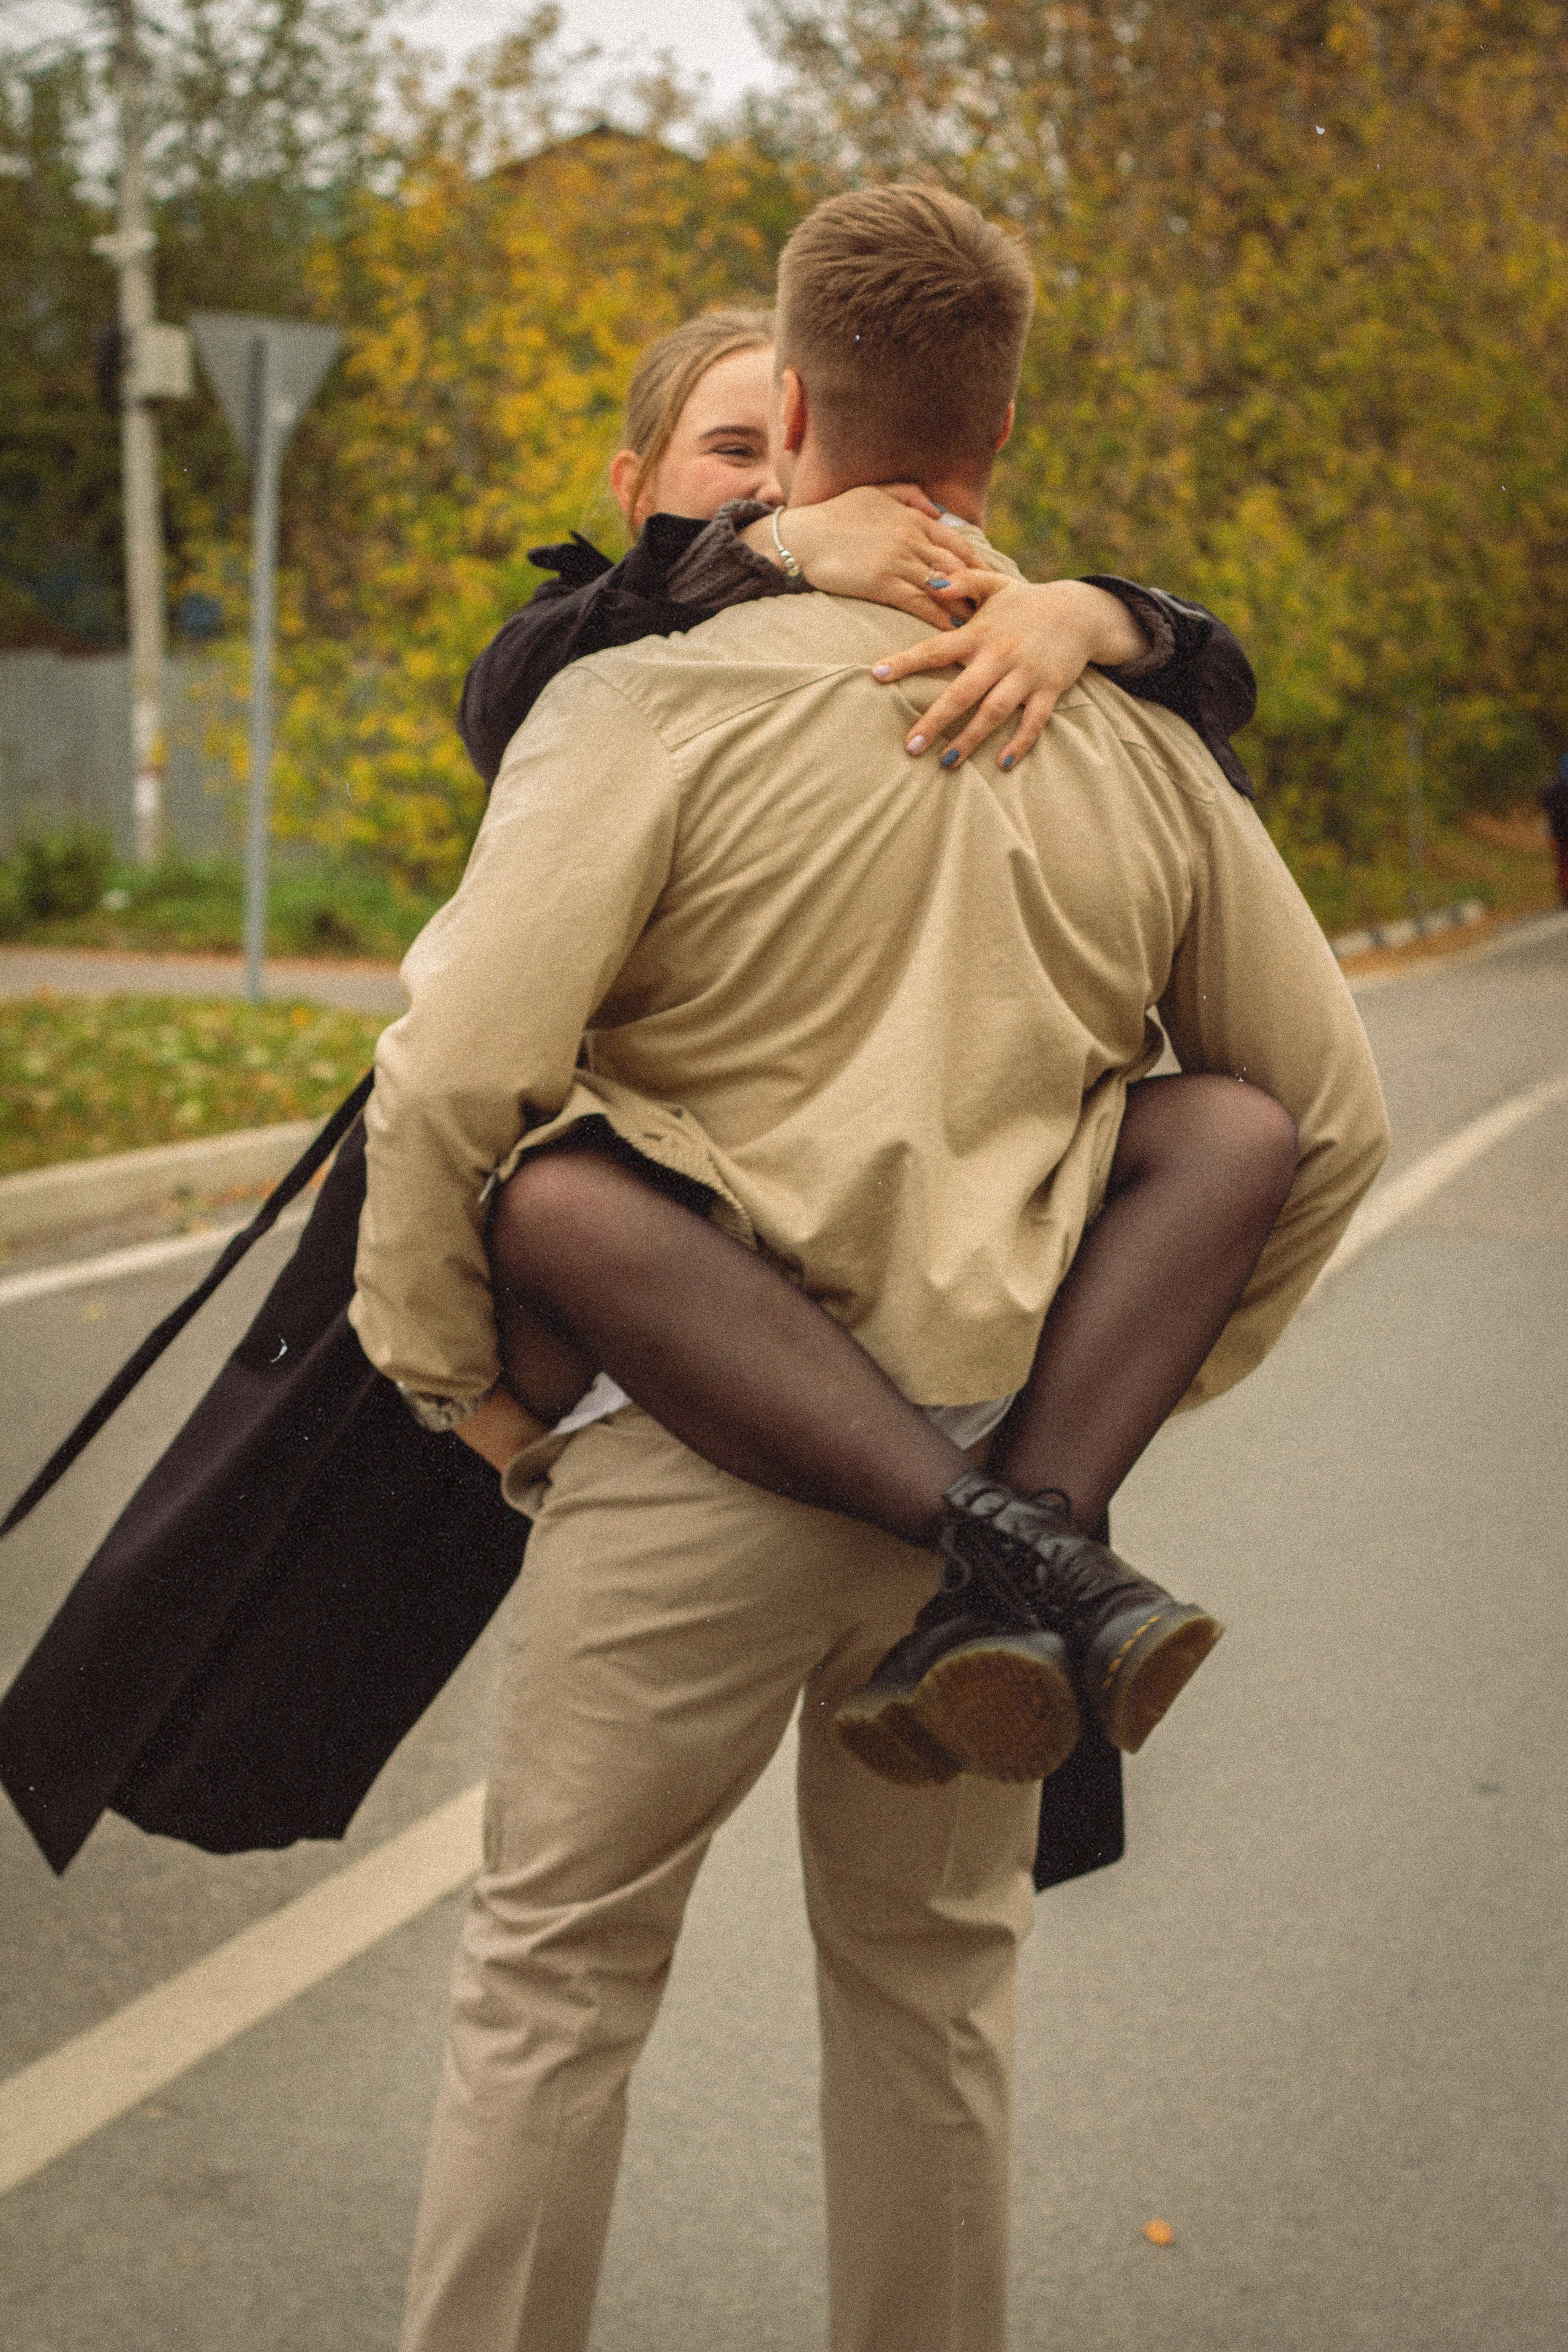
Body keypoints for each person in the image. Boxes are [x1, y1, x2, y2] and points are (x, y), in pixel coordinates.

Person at [352, 184, 1389, 2352]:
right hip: (1000, 1520)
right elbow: (1320, 1118)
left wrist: (459, 1383)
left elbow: (455, 1076)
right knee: (938, 2008)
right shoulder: (1132, 747)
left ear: (798, 405)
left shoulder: (652, 708)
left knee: (555, 1986)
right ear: (1004, 430)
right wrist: (1086, 1401)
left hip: (687, 1471)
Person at [1544, 751, 1568, 906]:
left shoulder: (1551, 791)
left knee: (1564, 863)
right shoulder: (1553, 792)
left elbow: (1549, 813)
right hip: (1560, 832)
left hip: (1560, 833)